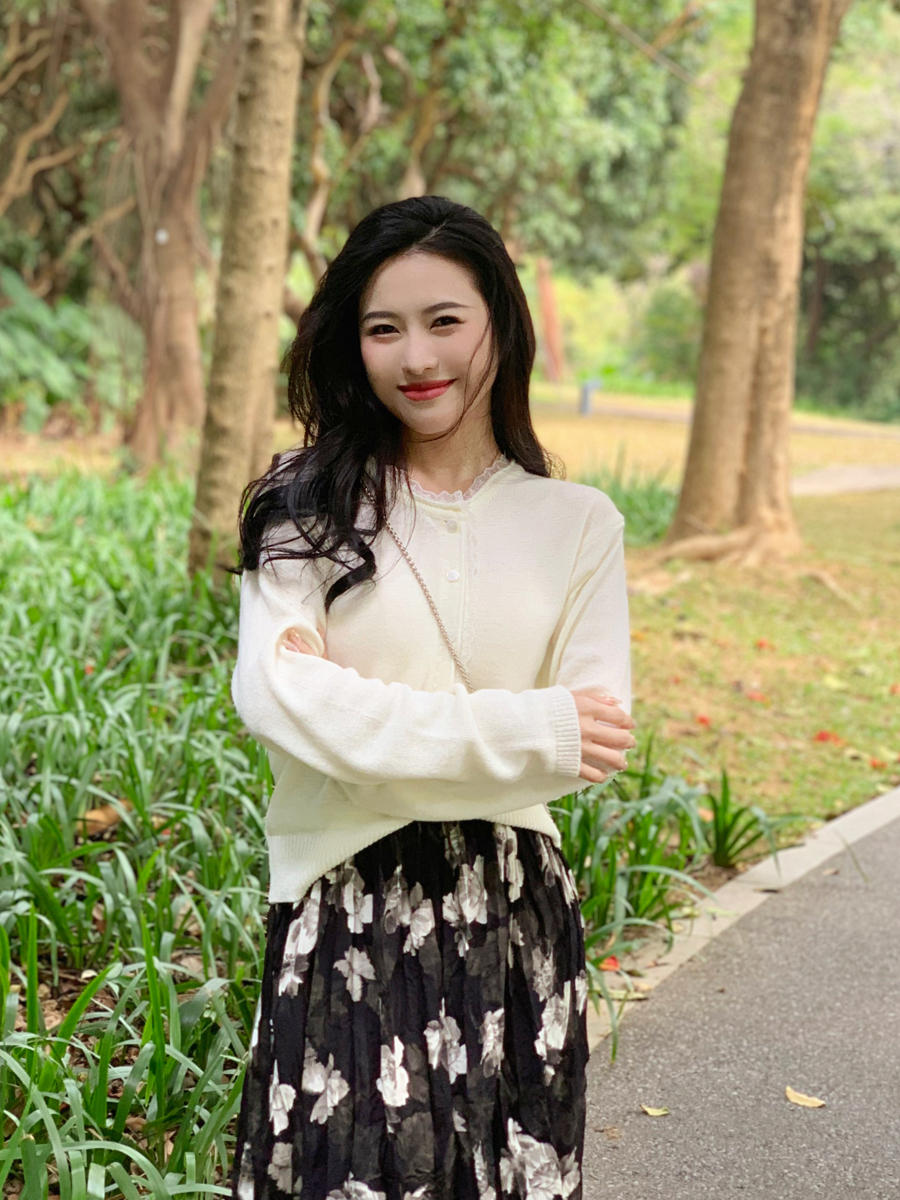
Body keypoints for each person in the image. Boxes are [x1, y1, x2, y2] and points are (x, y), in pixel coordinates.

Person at [229, 195, 635, 1200]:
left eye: (445, 320)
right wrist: (528, 728)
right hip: (344, 908)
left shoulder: (578, 524)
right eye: (384, 328)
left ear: (500, 321)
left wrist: (367, 734)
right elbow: (282, 702)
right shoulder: (306, 507)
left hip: (515, 919)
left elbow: (591, 742)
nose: (417, 356)